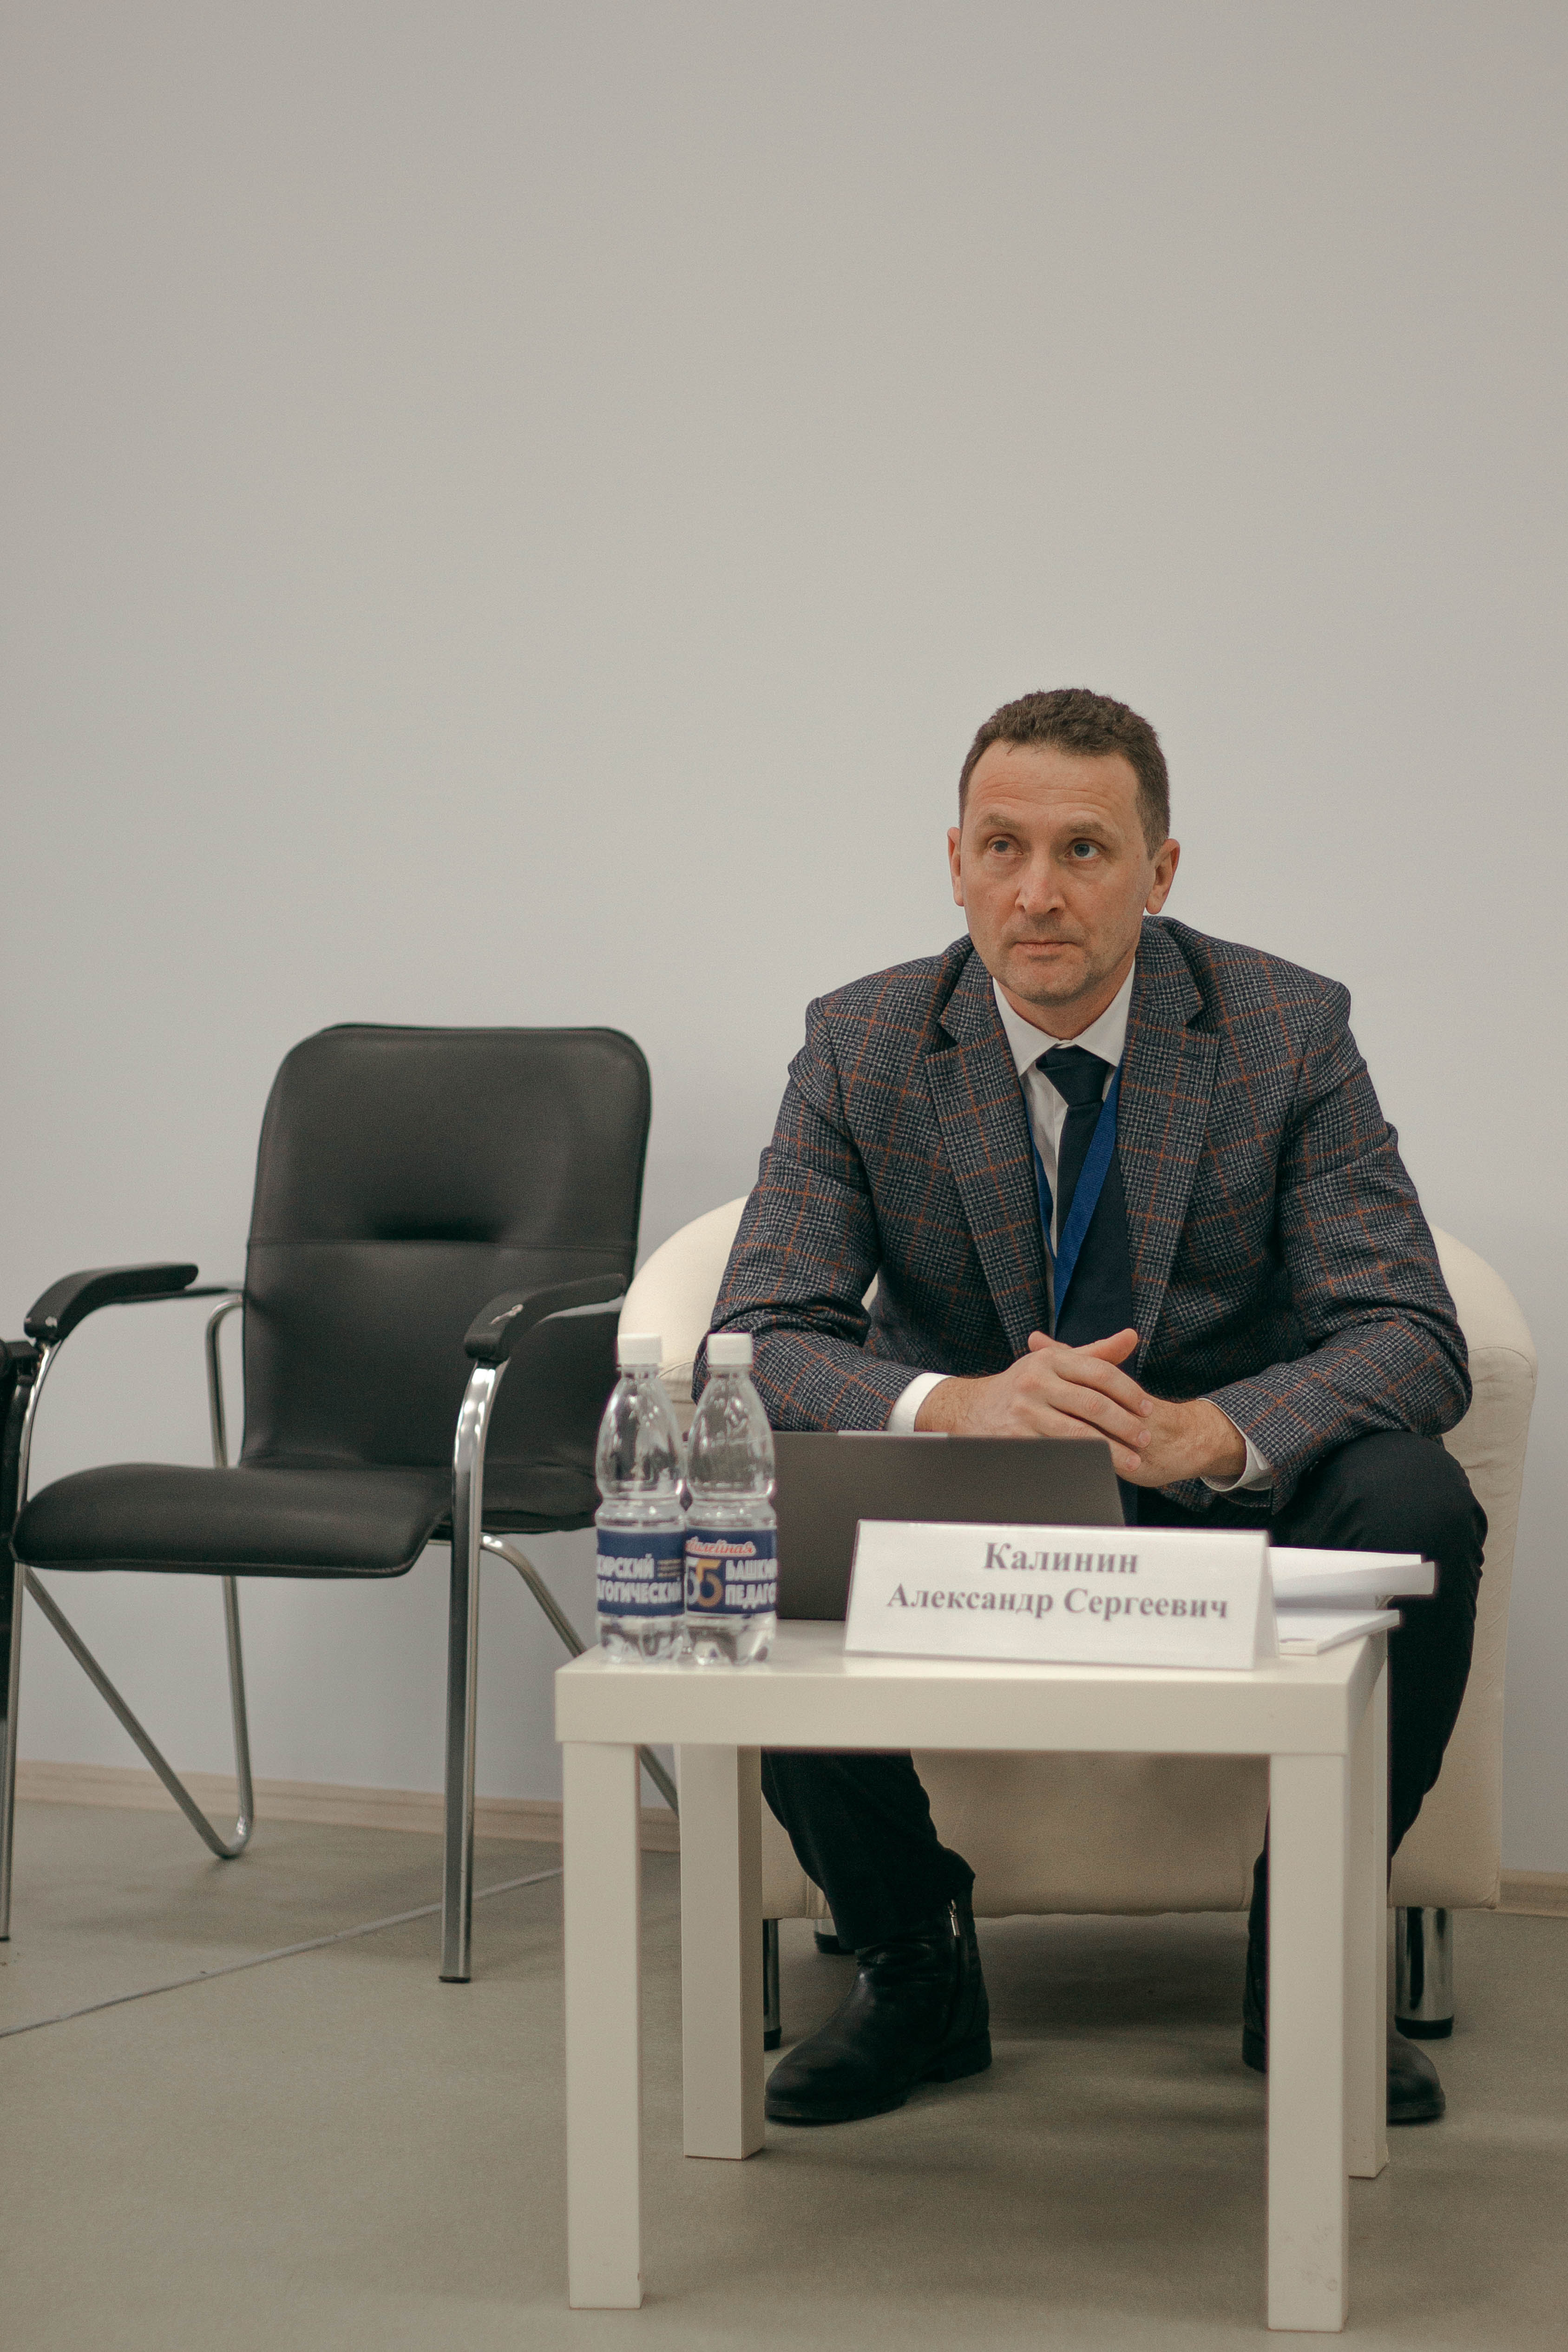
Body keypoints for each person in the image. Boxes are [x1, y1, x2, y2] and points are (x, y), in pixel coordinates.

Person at [702, 686, 1484, 2131]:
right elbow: (752, 1337)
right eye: (1002, 847)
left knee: (1418, 1499)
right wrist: (954, 1406)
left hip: (1222, 1503)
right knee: (746, 1501)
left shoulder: (1285, 1031)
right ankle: (911, 1962)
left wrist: (1221, 1431)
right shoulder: (866, 1041)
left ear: (1159, 872)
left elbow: (1411, 1335)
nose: (1038, 893)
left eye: (1084, 850)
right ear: (955, 863)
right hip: (965, 1506)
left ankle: (1306, 1958)